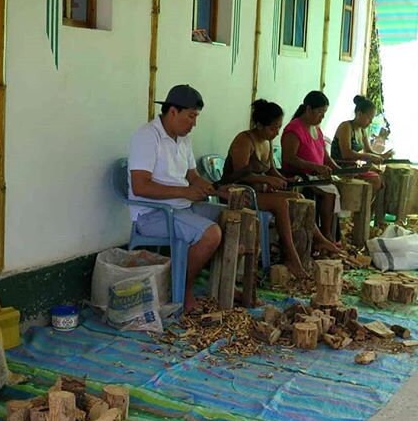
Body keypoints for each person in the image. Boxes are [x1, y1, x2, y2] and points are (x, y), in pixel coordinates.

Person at [128, 84, 225, 313]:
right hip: (153, 214)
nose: (194, 123)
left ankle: (222, 285)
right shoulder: (146, 136)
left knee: (230, 217)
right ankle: (184, 290)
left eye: (196, 116)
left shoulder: (183, 139)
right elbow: (140, 186)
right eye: (191, 116)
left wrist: (217, 190)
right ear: (173, 111)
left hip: (180, 207)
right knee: (211, 234)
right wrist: (184, 192)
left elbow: (192, 176)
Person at [221, 100, 340, 277]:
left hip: (258, 191)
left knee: (298, 198)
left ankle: (320, 240)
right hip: (239, 193)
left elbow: (270, 169)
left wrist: (283, 180)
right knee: (282, 204)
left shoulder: (266, 142)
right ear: (260, 125)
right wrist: (267, 180)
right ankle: (291, 256)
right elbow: (240, 175)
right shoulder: (244, 140)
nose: (276, 133)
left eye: (278, 127)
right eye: (273, 128)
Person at [281, 91, 341, 240]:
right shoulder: (294, 129)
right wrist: (314, 166)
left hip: (314, 175)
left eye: (324, 112)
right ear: (308, 109)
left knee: (336, 188)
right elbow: (289, 158)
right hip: (298, 175)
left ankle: (333, 235)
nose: (322, 117)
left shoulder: (316, 129)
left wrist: (338, 169)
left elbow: (324, 155)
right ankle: (324, 235)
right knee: (329, 193)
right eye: (320, 112)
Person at [330, 95, 393, 194]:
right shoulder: (346, 127)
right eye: (369, 118)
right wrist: (370, 157)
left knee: (381, 173)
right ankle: (364, 207)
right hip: (340, 168)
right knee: (375, 180)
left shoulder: (362, 130)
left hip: (352, 167)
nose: (371, 122)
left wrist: (382, 156)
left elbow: (368, 151)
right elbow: (346, 153)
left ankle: (368, 205)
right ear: (359, 114)